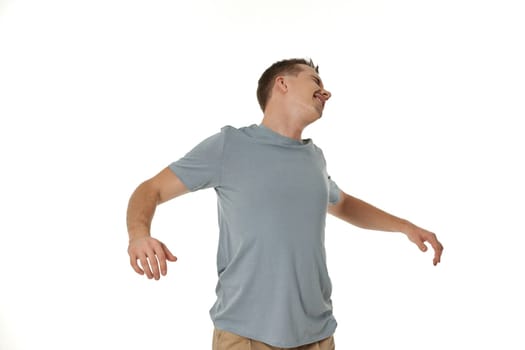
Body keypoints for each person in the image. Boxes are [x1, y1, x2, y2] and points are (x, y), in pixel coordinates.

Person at [126, 58, 444, 350]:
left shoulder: (314, 158)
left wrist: (405, 227)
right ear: (282, 84)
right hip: (246, 335)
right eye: (315, 81)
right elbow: (151, 189)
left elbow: (343, 204)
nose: (326, 92)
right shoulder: (229, 146)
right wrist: (139, 234)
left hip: (316, 336)